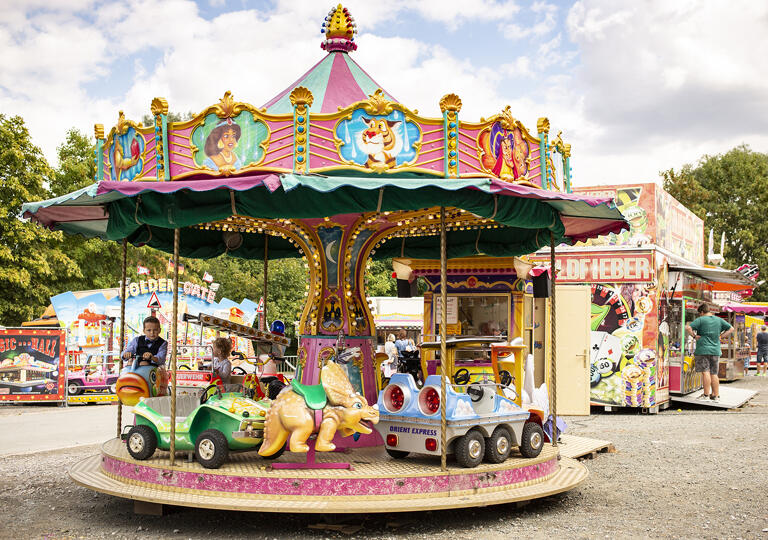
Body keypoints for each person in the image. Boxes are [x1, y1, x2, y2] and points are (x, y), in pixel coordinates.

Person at [686, 303, 734, 402]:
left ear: (702, 312)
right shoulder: (719, 320)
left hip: (703, 349)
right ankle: (716, 396)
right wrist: (722, 336)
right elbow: (731, 329)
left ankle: (706, 395)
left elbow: (688, 328)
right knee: (714, 373)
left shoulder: (700, 319)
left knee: (705, 372)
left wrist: (694, 336)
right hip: (715, 350)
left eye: (700, 313)